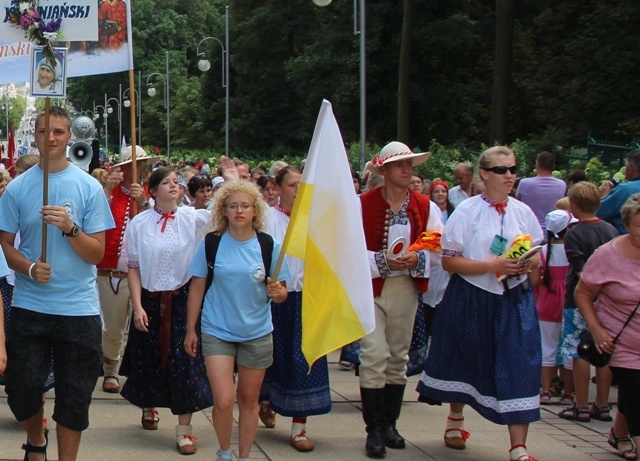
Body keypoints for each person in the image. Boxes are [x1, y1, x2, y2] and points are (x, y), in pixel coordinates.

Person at [0, 105, 114, 461]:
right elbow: (4, 243)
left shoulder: (89, 188)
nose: (50, 138)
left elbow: (96, 253)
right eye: (43, 130)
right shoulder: (18, 188)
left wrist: (70, 228)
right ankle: (36, 439)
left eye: (59, 132)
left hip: (78, 310)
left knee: (75, 397)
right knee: (22, 390)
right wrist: (30, 268)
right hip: (30, 307)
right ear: (34, 134)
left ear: (70, 137)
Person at [417, 146, 544, 461]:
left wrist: (527, 266)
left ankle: (518, 447)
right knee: (466, 356)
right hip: (472, 296)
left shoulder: (523, 212)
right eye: (502, 170)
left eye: (513, 169)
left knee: (519, 364)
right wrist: (492, 266)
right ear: (485, 174)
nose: (510, 175)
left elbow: (537, 261)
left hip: (514, 299)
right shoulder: (467, 211)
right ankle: (456, 418)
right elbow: (450, 263)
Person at [184, 181, 290, 461]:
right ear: (224, 210)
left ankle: (244, 455)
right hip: (217, 329)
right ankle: (224, 451)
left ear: (255, 210)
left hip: (256, 331)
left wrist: (278, 292)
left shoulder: (269, 245)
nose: (239, 210)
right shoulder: (212, 243)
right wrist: (190, 329)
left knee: (248, 400)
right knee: (223, 400)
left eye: (245, 205)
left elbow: (281, 293)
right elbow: (197, 286)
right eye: (233, 206)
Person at [120, 167, 212, 455]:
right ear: (153, 189)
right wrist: (137, 307)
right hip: (149, 297)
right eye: (167, 182)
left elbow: (223, 213)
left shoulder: (194, 219)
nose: (174, 186)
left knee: (184, 360)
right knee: (149, 356)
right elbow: (133, 268)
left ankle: (184, 430)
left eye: (176, 182)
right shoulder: (140, 223)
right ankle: (150, 404)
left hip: (183, 299)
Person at [359, 141, 441, 458]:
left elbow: (435, 242)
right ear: (385, 170)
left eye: (410, 165)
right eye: (400, 165)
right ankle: (374, 429)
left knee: (398, 358)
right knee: (374, 354)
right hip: (372, 288)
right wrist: (382, 261)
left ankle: (390, 423)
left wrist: (415, 258)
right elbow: (347, 248)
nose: (407, 170)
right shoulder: (362, 204)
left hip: (405, 287)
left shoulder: (424, 205)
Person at [258, 165, 331, 452]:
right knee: (271, 355)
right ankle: (266, 401)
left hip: (307, 298)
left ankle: (300, 427)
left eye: (303, 186)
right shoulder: (267, 220)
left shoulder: (317, 223)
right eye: (292, 186)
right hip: (274, 298)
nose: (298, 191)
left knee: (306, 358)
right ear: (277, 189)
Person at [575, 193, 640, 461]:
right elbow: (582, 293)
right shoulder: (607, 255)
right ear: (626, 225)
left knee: (632, 396)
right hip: (621, 342)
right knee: (637, 396)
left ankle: (618, 433)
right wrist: (597, 328)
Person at [98, 146, 157, 394]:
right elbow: (94, 219)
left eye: (141, 166)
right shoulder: (107, 194)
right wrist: (108, 191)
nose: (140, 170)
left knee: (143, 327)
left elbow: (158, 228)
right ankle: (110, 369)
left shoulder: (149, 197)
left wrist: (143, 203)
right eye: (134, 165)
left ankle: (138, 373)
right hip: (112, 272)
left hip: (144, 274)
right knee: (113, 327)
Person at [558, 181, 618, 423]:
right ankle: (602, 405)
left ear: (572, 206)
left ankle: (581, 404)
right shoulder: (611, 230)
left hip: (579, 298)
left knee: (580, 350)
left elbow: (582, 272)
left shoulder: (574, 234)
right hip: (608, 299)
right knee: (603, 350)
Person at [533, 210, 572, 405]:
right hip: (568, 302)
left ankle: (546, 390)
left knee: (547, 346)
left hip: (547, 302)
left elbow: (534, 280)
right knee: (569, 346)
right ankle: (567, 391)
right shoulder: (572, 249)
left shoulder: (542, 251)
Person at [516, 151, 567, 234]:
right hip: (552, 232)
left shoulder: (524, 183)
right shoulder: (561, 185)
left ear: (537, 165)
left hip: (527, 231)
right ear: (553, 166)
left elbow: (517, 203)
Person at [597, 150, 640, 235]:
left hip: (625, 241)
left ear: (630, 168)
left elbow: (597, 214)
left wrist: (605, 196)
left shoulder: (625, 189)